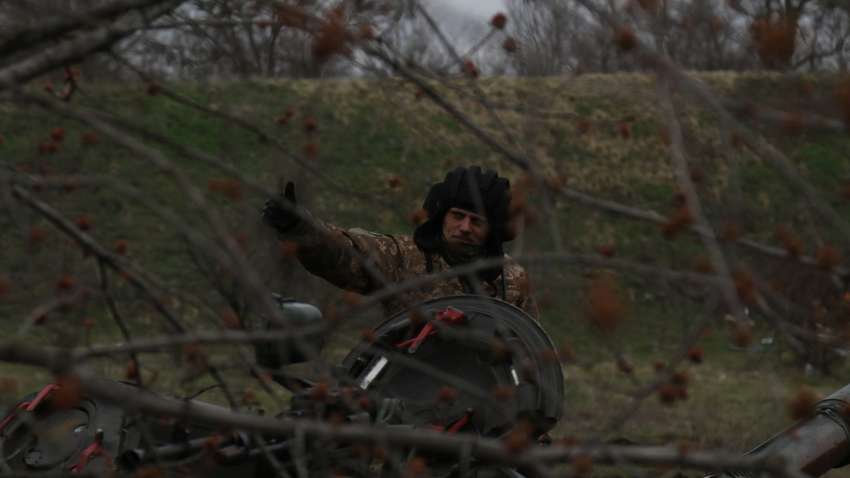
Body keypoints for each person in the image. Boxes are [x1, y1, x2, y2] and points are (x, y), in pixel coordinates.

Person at [261, 166, 538, 319]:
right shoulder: (404, 257)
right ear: (443, 216)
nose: (464, 227)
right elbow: (346, 253)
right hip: (404, 397)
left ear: (492, 229)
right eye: (458, 216)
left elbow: (531, 356)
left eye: (476, 221)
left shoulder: (511, 280)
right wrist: (299, 225)